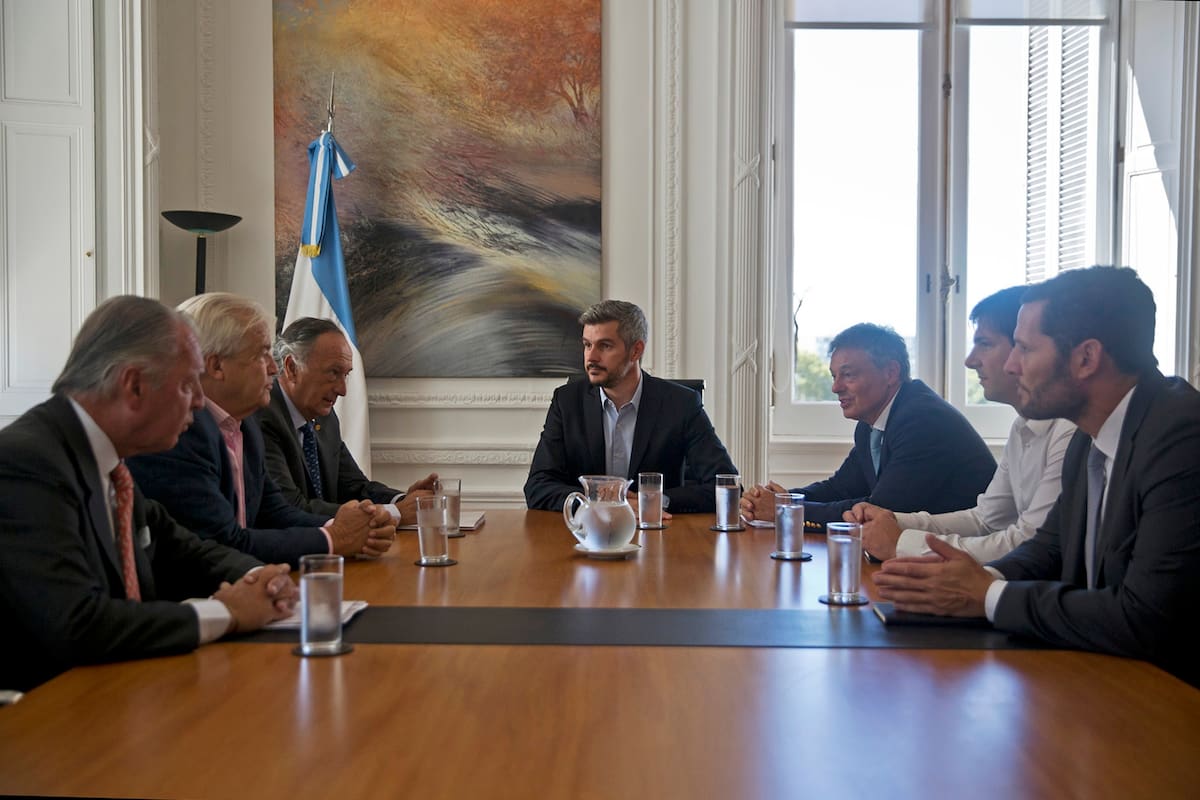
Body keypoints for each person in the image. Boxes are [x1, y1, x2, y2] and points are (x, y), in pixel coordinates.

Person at [874, 266, 1200, 687]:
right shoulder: (1090, 434)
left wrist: (986, 596)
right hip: (1106, 679)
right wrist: (969, 583)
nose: (1011, 365)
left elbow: (1145, 617)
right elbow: (1048, 549)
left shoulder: (1180, 437)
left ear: (1086, 358)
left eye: (1024, 349)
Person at [0, 296, 297, 692]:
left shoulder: (110, 461)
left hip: (122, 692)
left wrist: (260, 579)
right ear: (134, 384)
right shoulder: (27, 463)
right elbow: (77, 624)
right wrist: (225, 613)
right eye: (188, 384)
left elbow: (183, 548)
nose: (198, 400)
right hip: (47, 717)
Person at [128, 293, 395, 568]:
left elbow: (275, 512)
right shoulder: (182, 433)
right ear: (217, 366)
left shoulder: (246, 424)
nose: (272, 367)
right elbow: (225, 541)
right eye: (261, 354)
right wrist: (333, 538)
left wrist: (346, 527)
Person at [846, 287, 1076, 561]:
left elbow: (1030, 544)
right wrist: (894, 520)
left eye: (985, 344)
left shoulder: (1069, 431)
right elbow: (986, 520)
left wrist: (901, 543)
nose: (970, 361)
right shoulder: (1022, 426)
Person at [740, 323, 995, 526]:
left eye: (848, 375)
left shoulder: (922, 420)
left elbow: (879, 510)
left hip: (973, 560)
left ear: (891, 373)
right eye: (834, 376)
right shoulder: (872, 423)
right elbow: (840, 488)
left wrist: (785, 510)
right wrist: (782, 499)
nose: (835, 387)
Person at [524, 300, 737, 513]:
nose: (591, 357)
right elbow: (537, 486)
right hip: (585, 534)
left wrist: (652, 501)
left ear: (636, 351)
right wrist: (594, 503)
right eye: (587, 345)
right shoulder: (567, 401)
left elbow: (727, 487)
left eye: (605, 346)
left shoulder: (681, 404)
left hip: (656, 534)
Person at [257, 317, 435, 523]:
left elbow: (355, 487)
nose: (343, 390)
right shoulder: (264, 418)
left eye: (346, 375)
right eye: (333, 373)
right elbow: (292, 507)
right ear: (292, 368)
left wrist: (405, 501)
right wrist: (394, 513)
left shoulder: (325, 418)